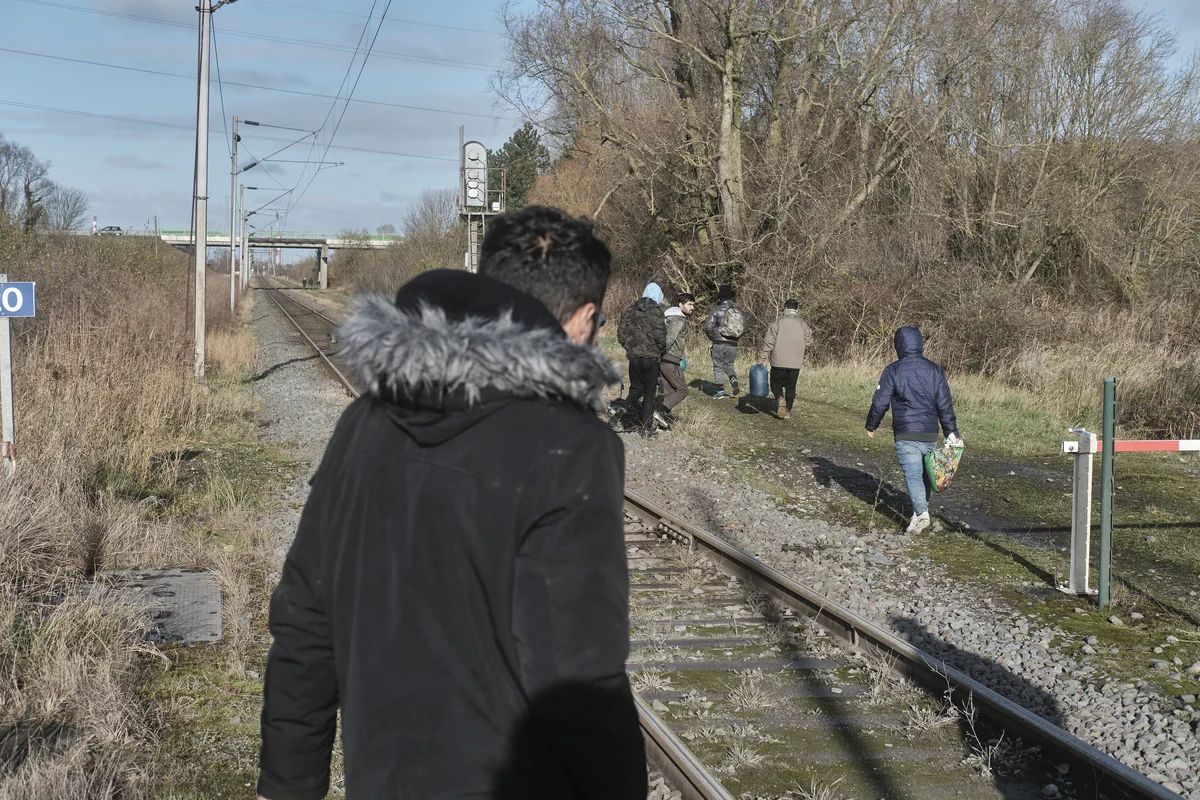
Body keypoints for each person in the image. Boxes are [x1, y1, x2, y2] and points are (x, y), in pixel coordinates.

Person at [257, 206, 647, 800]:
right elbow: (581, 683)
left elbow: (306, 626)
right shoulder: (572, 446)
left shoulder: (363, 422)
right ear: (584, 319)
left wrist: (286, 787)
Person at [865, 326, 961, 534]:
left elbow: (880, 401)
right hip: (929, 432)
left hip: (906, 432)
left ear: (898, 345)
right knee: (926, 474)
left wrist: (872, 424)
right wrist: (951, 432)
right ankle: (918, 515)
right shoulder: (935, 370)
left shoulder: (893, 370)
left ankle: (921, 513)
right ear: (919, 343)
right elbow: (945, 405)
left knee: (913, 474)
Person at [614, 282, 668, 437]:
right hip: (651, 358)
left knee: (636, 389)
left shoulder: (631, 309)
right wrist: (660, 351)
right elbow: (660, 336)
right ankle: (646, 429)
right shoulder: (657, 311)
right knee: (649, 395)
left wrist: (630, 348)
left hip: (634, 357)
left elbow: (621, 333)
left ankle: (617, 417)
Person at [756, 298, 813, 420]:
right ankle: (787, 410)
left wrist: (762, 357)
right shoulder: (803, 324)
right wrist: (799, 348)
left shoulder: (778, 322)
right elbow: (809, 342)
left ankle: (780, 399)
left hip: (778, 361)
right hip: (795, 362)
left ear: (785, 308)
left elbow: (769, 342)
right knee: (791, 386)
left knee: (775, 384)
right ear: (796, 309)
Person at [657, 292, 695, 427]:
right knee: (682, 390)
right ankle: (660, 411)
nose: (692, 308)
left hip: (664, 360)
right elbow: (670, 338)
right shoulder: (678, 319)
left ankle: (660, 423)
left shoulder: (668, 316)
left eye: (693, 305)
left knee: (669, 393)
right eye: (689, 304)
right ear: (680, 305)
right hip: (670, 360)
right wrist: (662, 354)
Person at [702, 284, 746, 399]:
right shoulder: (739, 311)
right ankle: (733, 379)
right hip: (733, 344)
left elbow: (708, 327)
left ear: (720, 297)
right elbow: (745, 327)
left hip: (719, 342)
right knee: (729, 364)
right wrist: (735, 337)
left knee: (718, 366)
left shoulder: (716, 310)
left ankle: (720, 391)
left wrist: (714, 337)